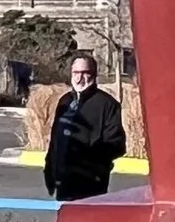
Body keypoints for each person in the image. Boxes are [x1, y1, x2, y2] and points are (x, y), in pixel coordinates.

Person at [43, 50, 128, 201]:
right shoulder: (65, 102)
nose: (79, 77)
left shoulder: (107, 104)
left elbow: (117, 145)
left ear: (94, 75)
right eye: (75, 72)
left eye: (85, 72)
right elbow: (55, 140)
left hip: (90, 186)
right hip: (63, 184)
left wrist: (90, 160)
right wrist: (49, 171)